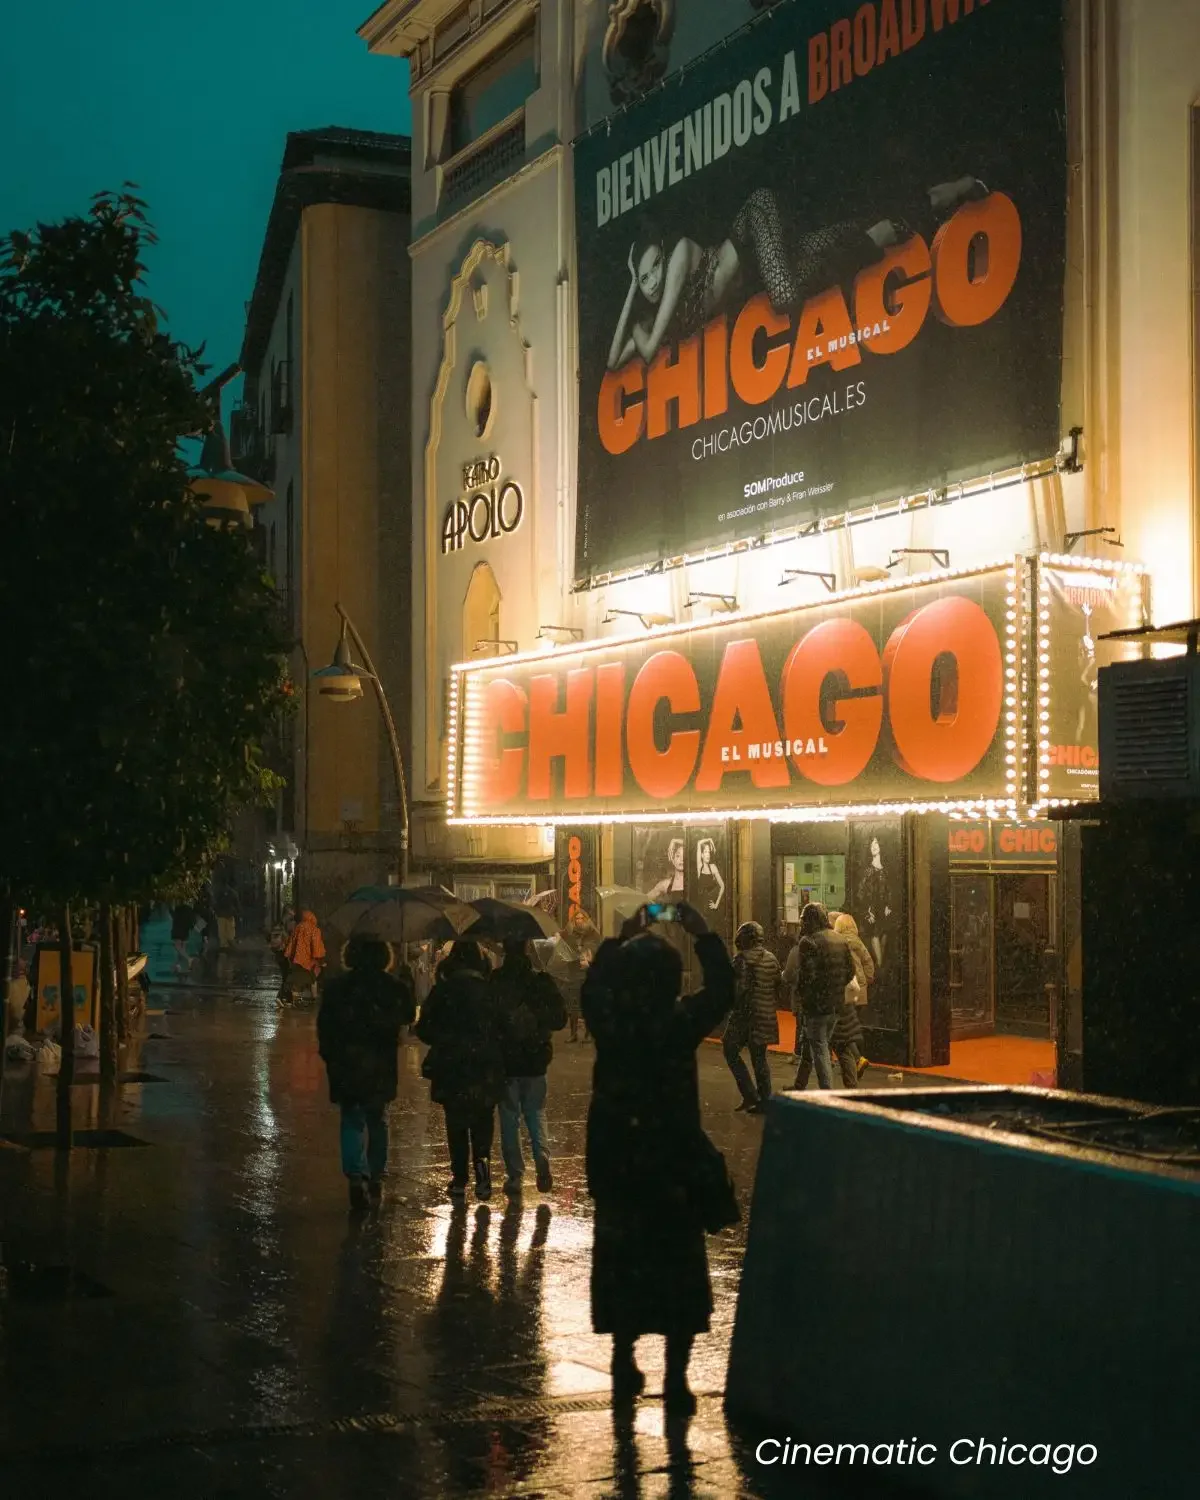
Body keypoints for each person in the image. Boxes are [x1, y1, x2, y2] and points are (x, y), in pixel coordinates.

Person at [582, 900, 735, 1418]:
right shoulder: (679, 1021)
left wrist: (618, 938)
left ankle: (624, 1357)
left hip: (620, 1162)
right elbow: (723, 990)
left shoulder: (610, 1024)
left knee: (623, 1264)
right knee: (678, 1268)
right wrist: (703, 934)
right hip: (672, 1163)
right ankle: (676, 1377)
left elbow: (591, 989)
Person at [607, 178, 988, 371]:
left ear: (665, 259)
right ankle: (947, 193)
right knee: (856, 232)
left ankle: (876, 237)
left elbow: (650, 346)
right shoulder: (651, 320)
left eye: (654, 267)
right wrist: (630, 287)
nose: (653, 280)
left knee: (787, 296)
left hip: (755, 225)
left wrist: (637, 285)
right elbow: (615, 360)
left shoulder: (679, 257)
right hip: (770, 268)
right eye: (644, 278)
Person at [317, 934, 416, 1211]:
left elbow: (325, 1027)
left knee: (351, 1119)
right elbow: (409, 1015)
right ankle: (375, 1175)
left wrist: (330, 1056)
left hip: (346, 1064)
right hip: (380, 1065)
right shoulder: (392, 987)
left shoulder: (337, 988)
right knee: (378, 1119)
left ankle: (355, 1176)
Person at [416, 940, 506, 1202]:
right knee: (483, 1121)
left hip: (452, 1066)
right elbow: (503, 1028)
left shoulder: (442, 992)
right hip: (484, 1067)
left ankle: (459, 1178)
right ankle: (483, 1173)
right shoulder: (490, 991)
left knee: (455, 1123)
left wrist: (446, 1038)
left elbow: (424, 1030)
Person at [492, 938, 568, 1195]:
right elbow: (559, 1019)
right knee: (536, 1112)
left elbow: (488, 1019)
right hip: (535, 1059)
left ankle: (515, 1174)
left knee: (509, 1117)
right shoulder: (540, 981)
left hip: (506, 1060)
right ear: (527, 950)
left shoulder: (496, 981)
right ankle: (542, 1155)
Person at [792, 902, 854, 1091]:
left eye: (803, 919)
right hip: (836, 1004)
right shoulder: (840, 939)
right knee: (813, 1044)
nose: (801, 923)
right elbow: (850, 972)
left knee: (819, 1048)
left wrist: (804, 997)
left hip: (816, 1005)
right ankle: (799, 1085)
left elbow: (805, 978)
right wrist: (834, 987)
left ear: (810, 920)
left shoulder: (808, 942)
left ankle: (827, 1092)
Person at [722, 921, 780, 1115]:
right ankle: (765, 1100)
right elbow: (778, 984)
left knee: (730, 1050)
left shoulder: (741, 959)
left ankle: (750, 1094)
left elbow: (737, 991)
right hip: (765, 1014)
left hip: (744, 1016)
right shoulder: (771, 958)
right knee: (759, 1058)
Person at [834, 912, 875, 1082]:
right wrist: (867, 979)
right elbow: (868, 961)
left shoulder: (838, 942)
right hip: (860, 989)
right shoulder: (858, 942)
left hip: (847, 990)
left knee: (843, 1027)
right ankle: (857, 1059)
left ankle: (855, 1060)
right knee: (855, 1025)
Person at [280, 908, 326, 1007]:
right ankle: (313, 999)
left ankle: (293, 1000)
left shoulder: (298, 927)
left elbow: (291, 942)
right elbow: (316, 946)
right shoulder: (314, 930)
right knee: (312, 979)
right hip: (309, 961)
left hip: (297, 959)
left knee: (296, 981)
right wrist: (320, 958)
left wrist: (288, 954)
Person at [213, 884, 240, 952]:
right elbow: (237, 904)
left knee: (222, 932)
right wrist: (238, 913)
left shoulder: (219, 893)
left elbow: (215, 903)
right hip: (229, 914)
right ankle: (230, 945)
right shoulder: (233, 893)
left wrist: (216, 912)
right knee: (230, 932)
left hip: (222, 915)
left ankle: (224, 947)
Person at [170, 903, 194, 975]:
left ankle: (189, 959)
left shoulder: (178, 909)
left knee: (178, 948)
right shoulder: (189, 910)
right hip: (185, 931)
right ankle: (178, 966)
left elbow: (173, 916)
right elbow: (191, 922)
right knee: (182, 950)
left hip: (177, 931)